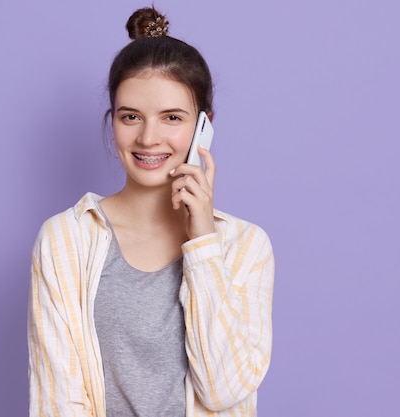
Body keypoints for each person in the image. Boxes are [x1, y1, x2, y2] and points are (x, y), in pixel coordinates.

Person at [28, 6, 274, 417]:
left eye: (172, 118)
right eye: (131, 117)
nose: (148, 137)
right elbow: (58, 402)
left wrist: (202, 243)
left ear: (203, 126)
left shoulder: (246, 247)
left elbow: (223, 390)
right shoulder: (65, 239)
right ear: (113, 121)